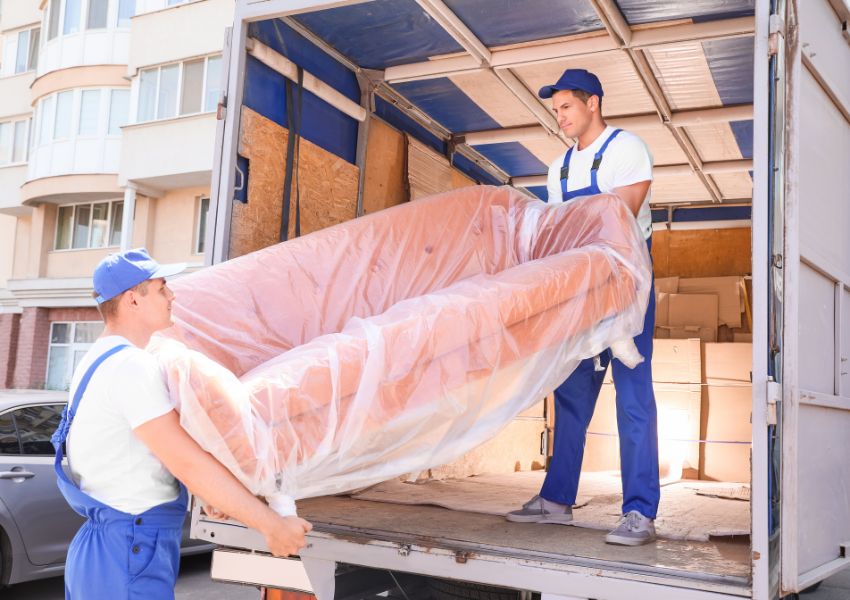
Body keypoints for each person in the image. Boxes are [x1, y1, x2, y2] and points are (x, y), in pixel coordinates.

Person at [52, 248, 312, 599]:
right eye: (162, 289)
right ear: (132, 300)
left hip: (106, 549)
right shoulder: (130, 367)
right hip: (129, 549)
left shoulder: (97, 360)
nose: (172, 296)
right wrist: (272, 526)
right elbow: (186, 461)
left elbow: (141, 457)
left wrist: (208, 495)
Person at [506, 69, 659, 546]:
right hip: (581, 286)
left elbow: (618, 218)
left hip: (626, 283)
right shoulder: (559, 168)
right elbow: (557, 233)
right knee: (571, 392)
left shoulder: (626, 149)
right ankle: (556, 500)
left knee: (632, 395)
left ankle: (640, 512)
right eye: (556, 110)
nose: (560, 117)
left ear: (592, 102)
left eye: (566, 107)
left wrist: (567, 233)